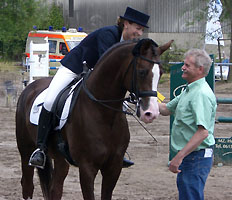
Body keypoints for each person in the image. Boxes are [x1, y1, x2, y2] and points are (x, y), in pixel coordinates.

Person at [29, 7, 150, 169]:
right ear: (126, 24)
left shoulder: (131, 44)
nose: (140, 33)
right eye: (138, 28)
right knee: (50, 100)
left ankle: (116, 152)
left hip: (93, 75)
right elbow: (105, 66)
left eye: (142, 30)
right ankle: (41, 149)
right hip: (74, 69)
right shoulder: (108, 34)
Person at [158, 49, 217, 200]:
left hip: (195, 158)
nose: (182, 68)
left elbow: (203, 132)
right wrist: (150, 97)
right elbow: (165, 109)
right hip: (191, 157)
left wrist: (179, 156)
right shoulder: (189, 90)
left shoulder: (200, 94)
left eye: (187, 65)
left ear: (200, 69)